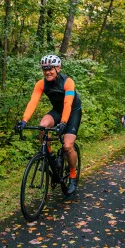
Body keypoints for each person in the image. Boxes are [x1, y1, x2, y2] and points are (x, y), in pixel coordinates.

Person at [15, 55, 82, 196]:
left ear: (58, 68)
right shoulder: (41, 84)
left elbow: (68, 103)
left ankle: (73, 176)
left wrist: (63, 123)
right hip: (57, 111)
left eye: (50, 68)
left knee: (67, 146)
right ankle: (51, 157)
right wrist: (24, 120)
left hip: (73, 112)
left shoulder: (68, 82)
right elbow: (33, 102)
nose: (47, 72)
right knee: (43, 126)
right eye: (44, 69)